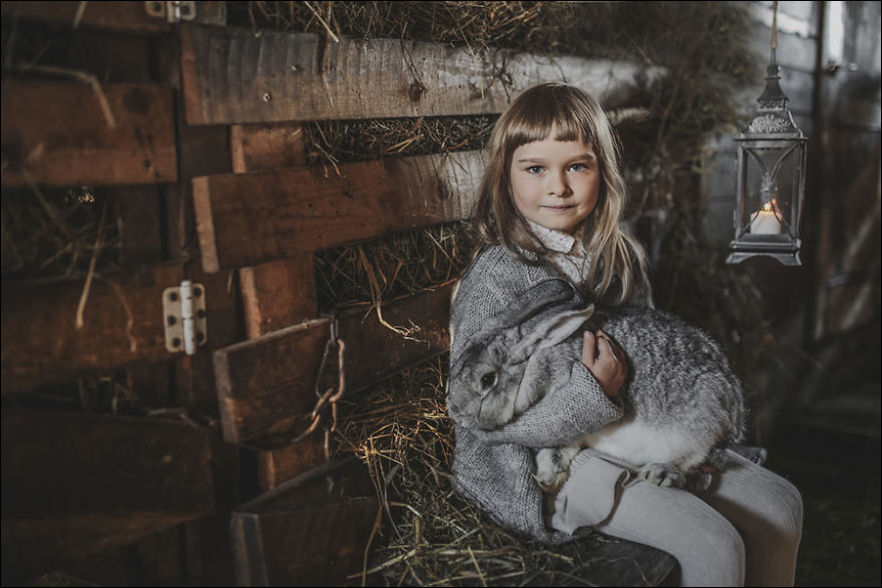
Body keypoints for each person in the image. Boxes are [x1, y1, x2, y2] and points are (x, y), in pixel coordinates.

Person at [447, 83, 803, 587]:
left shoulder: (616, 256)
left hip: (624, 432)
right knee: (713, 544)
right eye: (535, 169)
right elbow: (479, 420)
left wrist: (681, 441)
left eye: (577, 166)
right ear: (505, 177)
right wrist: (591, 394)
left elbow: (650, 354)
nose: (558, 187)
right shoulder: (496, 279)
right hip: (535, 465)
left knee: (781, 506)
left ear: (603, 171)